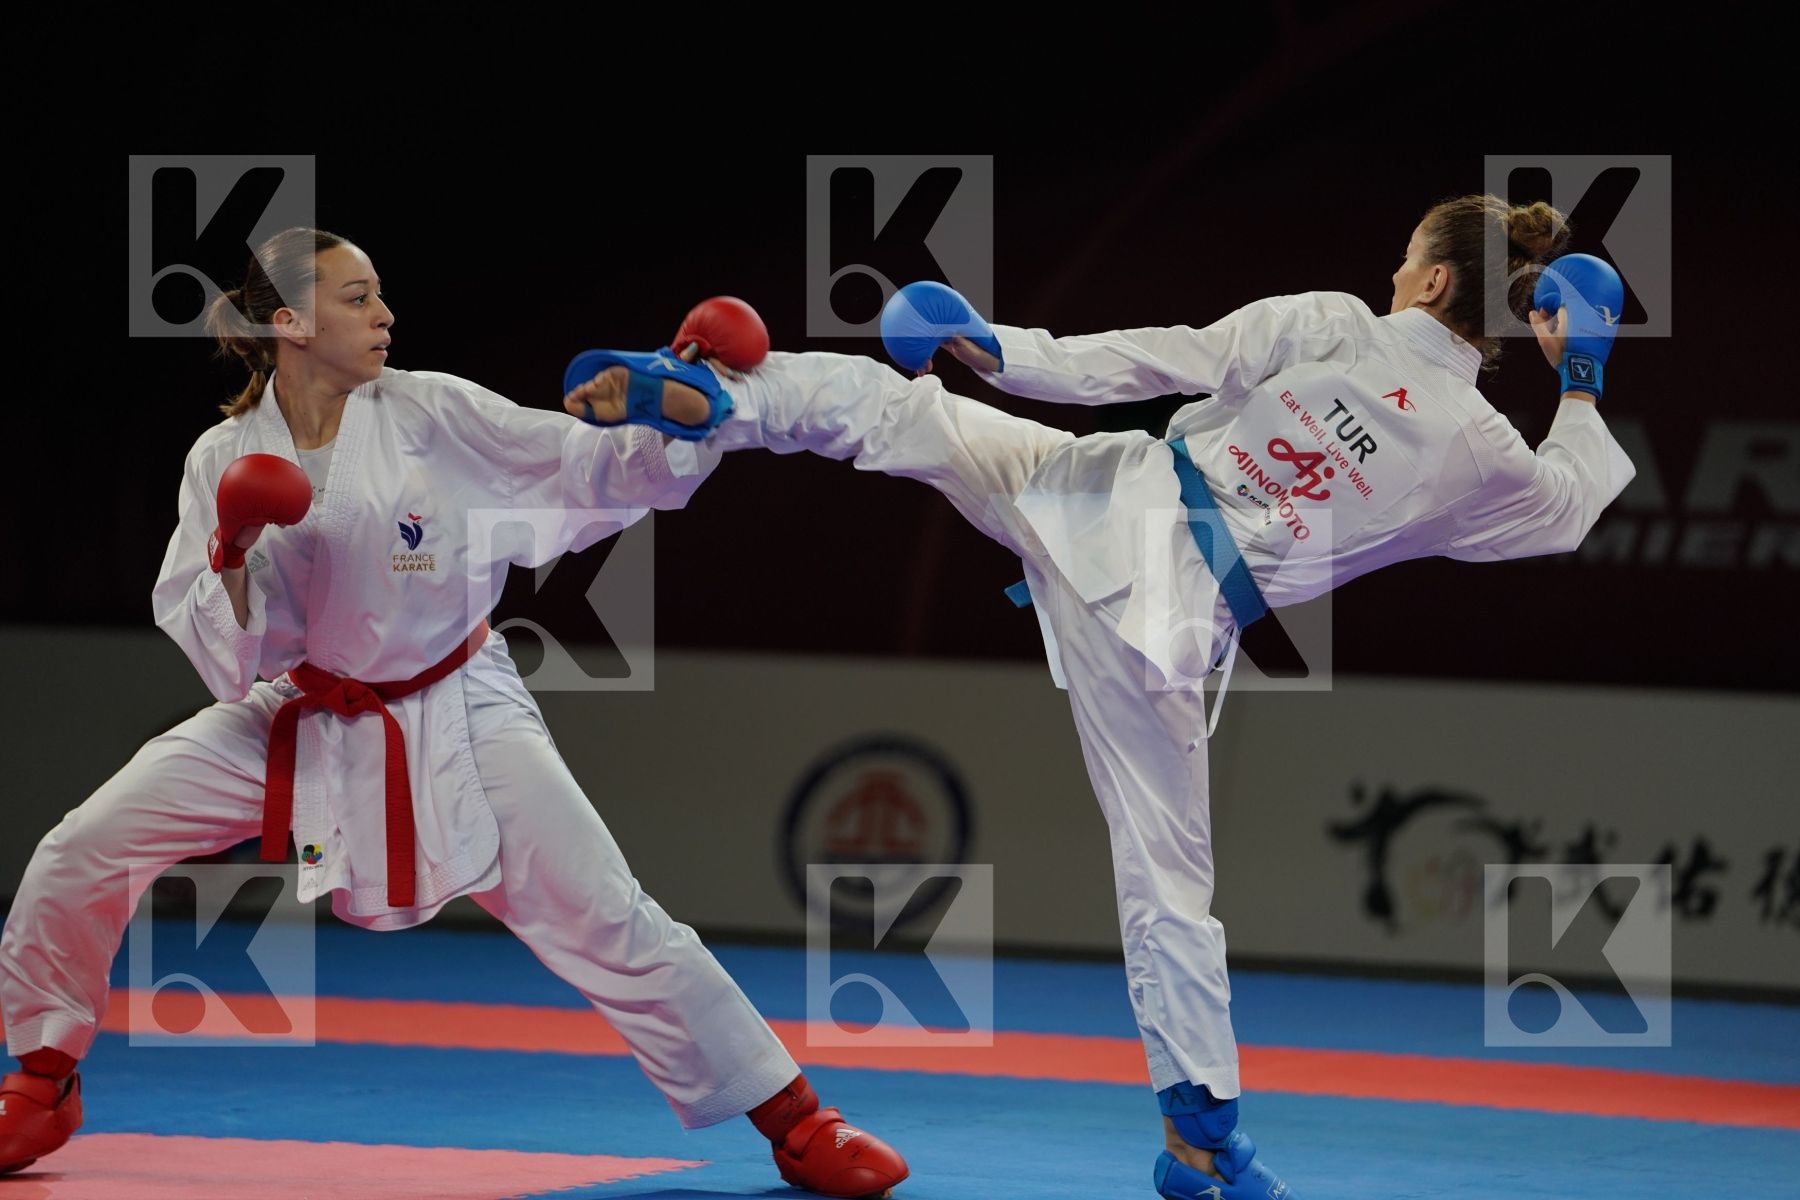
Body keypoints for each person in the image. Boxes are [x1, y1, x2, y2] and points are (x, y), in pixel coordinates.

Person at [565, 194, 1634, 1199]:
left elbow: (1152, 357)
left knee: (896, 413)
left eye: (1407, 258)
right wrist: (1579, 377)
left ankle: (721, 396)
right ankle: (1199, 1139)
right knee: (1166, 879)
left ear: (1437, 282)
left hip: (1098, 497)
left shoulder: (1332, 323)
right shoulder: (1481, 452)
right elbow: (1570, 509)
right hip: (1167, 612)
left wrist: (994, 348)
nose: (1392, 270)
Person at [0, 227, 909, 1200]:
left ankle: (795, 1117)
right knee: (81, 847)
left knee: (604, 911)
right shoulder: (221, 455)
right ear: (291, 321)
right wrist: (229, 549)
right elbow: (227, 660)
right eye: (358, 298)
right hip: (299, 709)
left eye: (381, 295)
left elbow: (580, 471)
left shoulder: (431, 413)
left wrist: (672, 405)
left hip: (457, 700)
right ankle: (44, 1078)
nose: (386, 314)